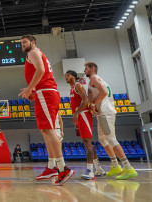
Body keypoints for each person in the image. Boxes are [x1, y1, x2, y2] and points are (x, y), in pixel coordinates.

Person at [17, 35, 74, 185]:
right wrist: (32, 89)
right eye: (21, 43)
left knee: (49, 130)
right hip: (44, 92)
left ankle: (63, 168)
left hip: (46, 93)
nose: (22, 44)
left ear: (33, 42)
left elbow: (41, 70)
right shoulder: (36, 53)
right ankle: (52, 168)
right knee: (45, 130)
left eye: (25, 42)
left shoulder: (33, 52)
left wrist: (30, 89)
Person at [84, 62, 137, 180]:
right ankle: (115, 166)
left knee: (111, 139)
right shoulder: (97, 79)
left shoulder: (94, 78)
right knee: (102, 139)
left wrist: (93, 103)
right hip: (103, 112)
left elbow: (104, 92)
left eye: (86, 68)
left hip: (105, 112)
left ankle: (128, 168)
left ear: (92, 69)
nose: (84, 70)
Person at [65, 70, 105, 180]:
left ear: (74, 76)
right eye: (65, 76)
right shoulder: (72, 88)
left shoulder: (78, 85)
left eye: (68, 75)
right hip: (80, 116)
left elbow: (85, 100)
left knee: (87, 142)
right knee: (87, 142)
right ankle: (99, 169)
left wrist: (77, 113)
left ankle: (90, 171)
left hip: (83, 115)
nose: (66, 77)